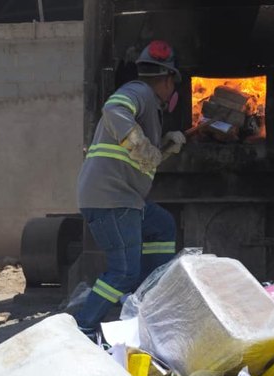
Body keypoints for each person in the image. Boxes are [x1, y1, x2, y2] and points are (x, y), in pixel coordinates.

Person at [75, 40, 186, 336]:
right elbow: (114, 109)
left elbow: (143, 157)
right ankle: (83, 327)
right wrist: (138, 142)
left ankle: (147, 298)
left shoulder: (148, 103)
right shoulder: (139, 91)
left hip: (123, 197)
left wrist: (164, 148)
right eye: (173, 83)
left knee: (162, 226)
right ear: (167, 79)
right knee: (123, 271)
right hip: (112, 199)